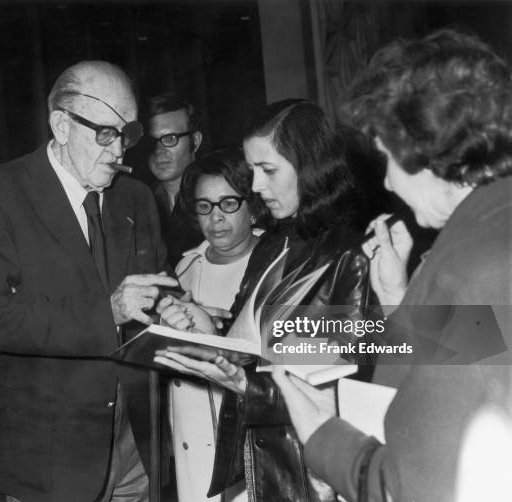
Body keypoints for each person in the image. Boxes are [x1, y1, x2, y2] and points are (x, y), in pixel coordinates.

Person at [272, 29, 512, 502]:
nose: (386, 181)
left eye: (386, 157)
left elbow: (413, 487)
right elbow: (480, 345)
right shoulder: (491, 233)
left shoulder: (469, 267)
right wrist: (398, 301)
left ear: (421, 147)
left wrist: (322, 433)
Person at [0, 60, 179, 502]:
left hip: (137, 446)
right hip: (53, 458)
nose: (120, 152)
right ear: (61, 124)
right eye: (105, 134)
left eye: (128, 134)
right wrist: (108, 312)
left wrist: (177, 309)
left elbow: (155, 289)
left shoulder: (136, 197)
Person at [156, 100, 371, 502]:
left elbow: (343, 388)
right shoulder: (274, 245)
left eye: (268, 170)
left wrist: (243, 383)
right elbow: (261, 348)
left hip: (310, 478)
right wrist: (210, 329)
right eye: (253, 170)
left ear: (310, 166)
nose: (254, 186)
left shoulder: (350, 258)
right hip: (257, 468)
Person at [168, 148, 266, 502]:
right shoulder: (182, 270)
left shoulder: (278, 265)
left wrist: (216, 341)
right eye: (205, 206)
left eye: (228, 203)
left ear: (253, 205)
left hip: (250, 452)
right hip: (191, 447)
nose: (216, 218)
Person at [147, 92, 204, 266]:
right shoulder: (139, 201)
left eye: (170, 138)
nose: (159, 150)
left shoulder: (217, 195)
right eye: (152, 140)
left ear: (195, 140)